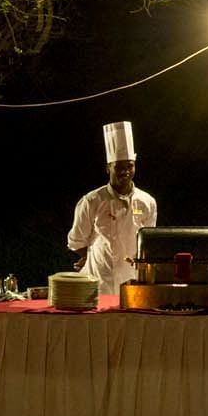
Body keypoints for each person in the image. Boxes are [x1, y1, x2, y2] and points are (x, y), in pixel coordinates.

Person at [66, 121, 158, 297]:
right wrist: (91, 256)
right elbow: (76, 241)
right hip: (99, 281)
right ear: (108, 168)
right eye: (119, 166)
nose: (125, 171)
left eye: (130, 165)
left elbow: (149, 241)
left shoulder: (147, 202)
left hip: (134, 280)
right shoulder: (92, 201)